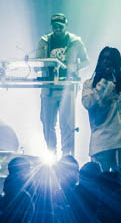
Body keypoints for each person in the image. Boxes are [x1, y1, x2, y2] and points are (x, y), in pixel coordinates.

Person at [35, 13, 88, 156]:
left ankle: (66, 155)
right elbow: (37, 60)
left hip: (67, 88)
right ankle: (51, 153)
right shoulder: (44, 41)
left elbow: (85, 60)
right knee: (47, 124)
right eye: (54, 26)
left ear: (65, 26)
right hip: (49, 88)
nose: (57, 29)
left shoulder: (75, 41)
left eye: (60, 26)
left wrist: (75, 67)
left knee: (67, 125)